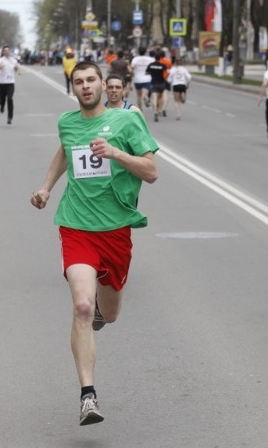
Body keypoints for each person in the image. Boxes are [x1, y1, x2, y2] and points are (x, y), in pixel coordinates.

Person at [30, 60, 159, 426]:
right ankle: (88, 396)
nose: (86, 86)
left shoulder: (128, 122)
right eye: (78, 82)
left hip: (116, 230)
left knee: (110, 313)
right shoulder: (68, 123)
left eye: (91, 80)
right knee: (82, 307)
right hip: (76, 226)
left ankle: (104, 312)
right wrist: (45, 187)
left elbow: (152, 173)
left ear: (104, 84)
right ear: (72, 88)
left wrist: (116, 153)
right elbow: (65, 152)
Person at [0, 45, 20, 125]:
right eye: (5, 50)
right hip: (2, 83)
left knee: (10, 99)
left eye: (8, 50)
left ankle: (10, 117)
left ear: (9, 52)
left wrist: (18, 71)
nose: (7, 52)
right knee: (2, 100)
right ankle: (2, 106)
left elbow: (16, 68)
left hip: (10, 83)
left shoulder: (14, 60)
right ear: (3, 52)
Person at [147, 49, 170, 121]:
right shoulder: (162, 65)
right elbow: (168, 72)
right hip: (162, 83)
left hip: (154, 83)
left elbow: (146, 72)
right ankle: (161, 108)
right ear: (160, 58)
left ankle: (155, 111)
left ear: (154, 58)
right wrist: (165, 78)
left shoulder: (151, 65)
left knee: (154, 97)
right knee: (161, 97)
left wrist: (152, 74)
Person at [168, 56, 192, 120]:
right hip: (182, 84)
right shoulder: (184, 69)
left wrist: (169, 82)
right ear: (181, 62)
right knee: (182, 99)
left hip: (176, 85)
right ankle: (183, 97)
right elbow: (189, 77)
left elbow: (169, 79)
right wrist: (188, 84)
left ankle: (178, 114)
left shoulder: (172, 69)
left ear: (175, 62)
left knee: (176, 100)